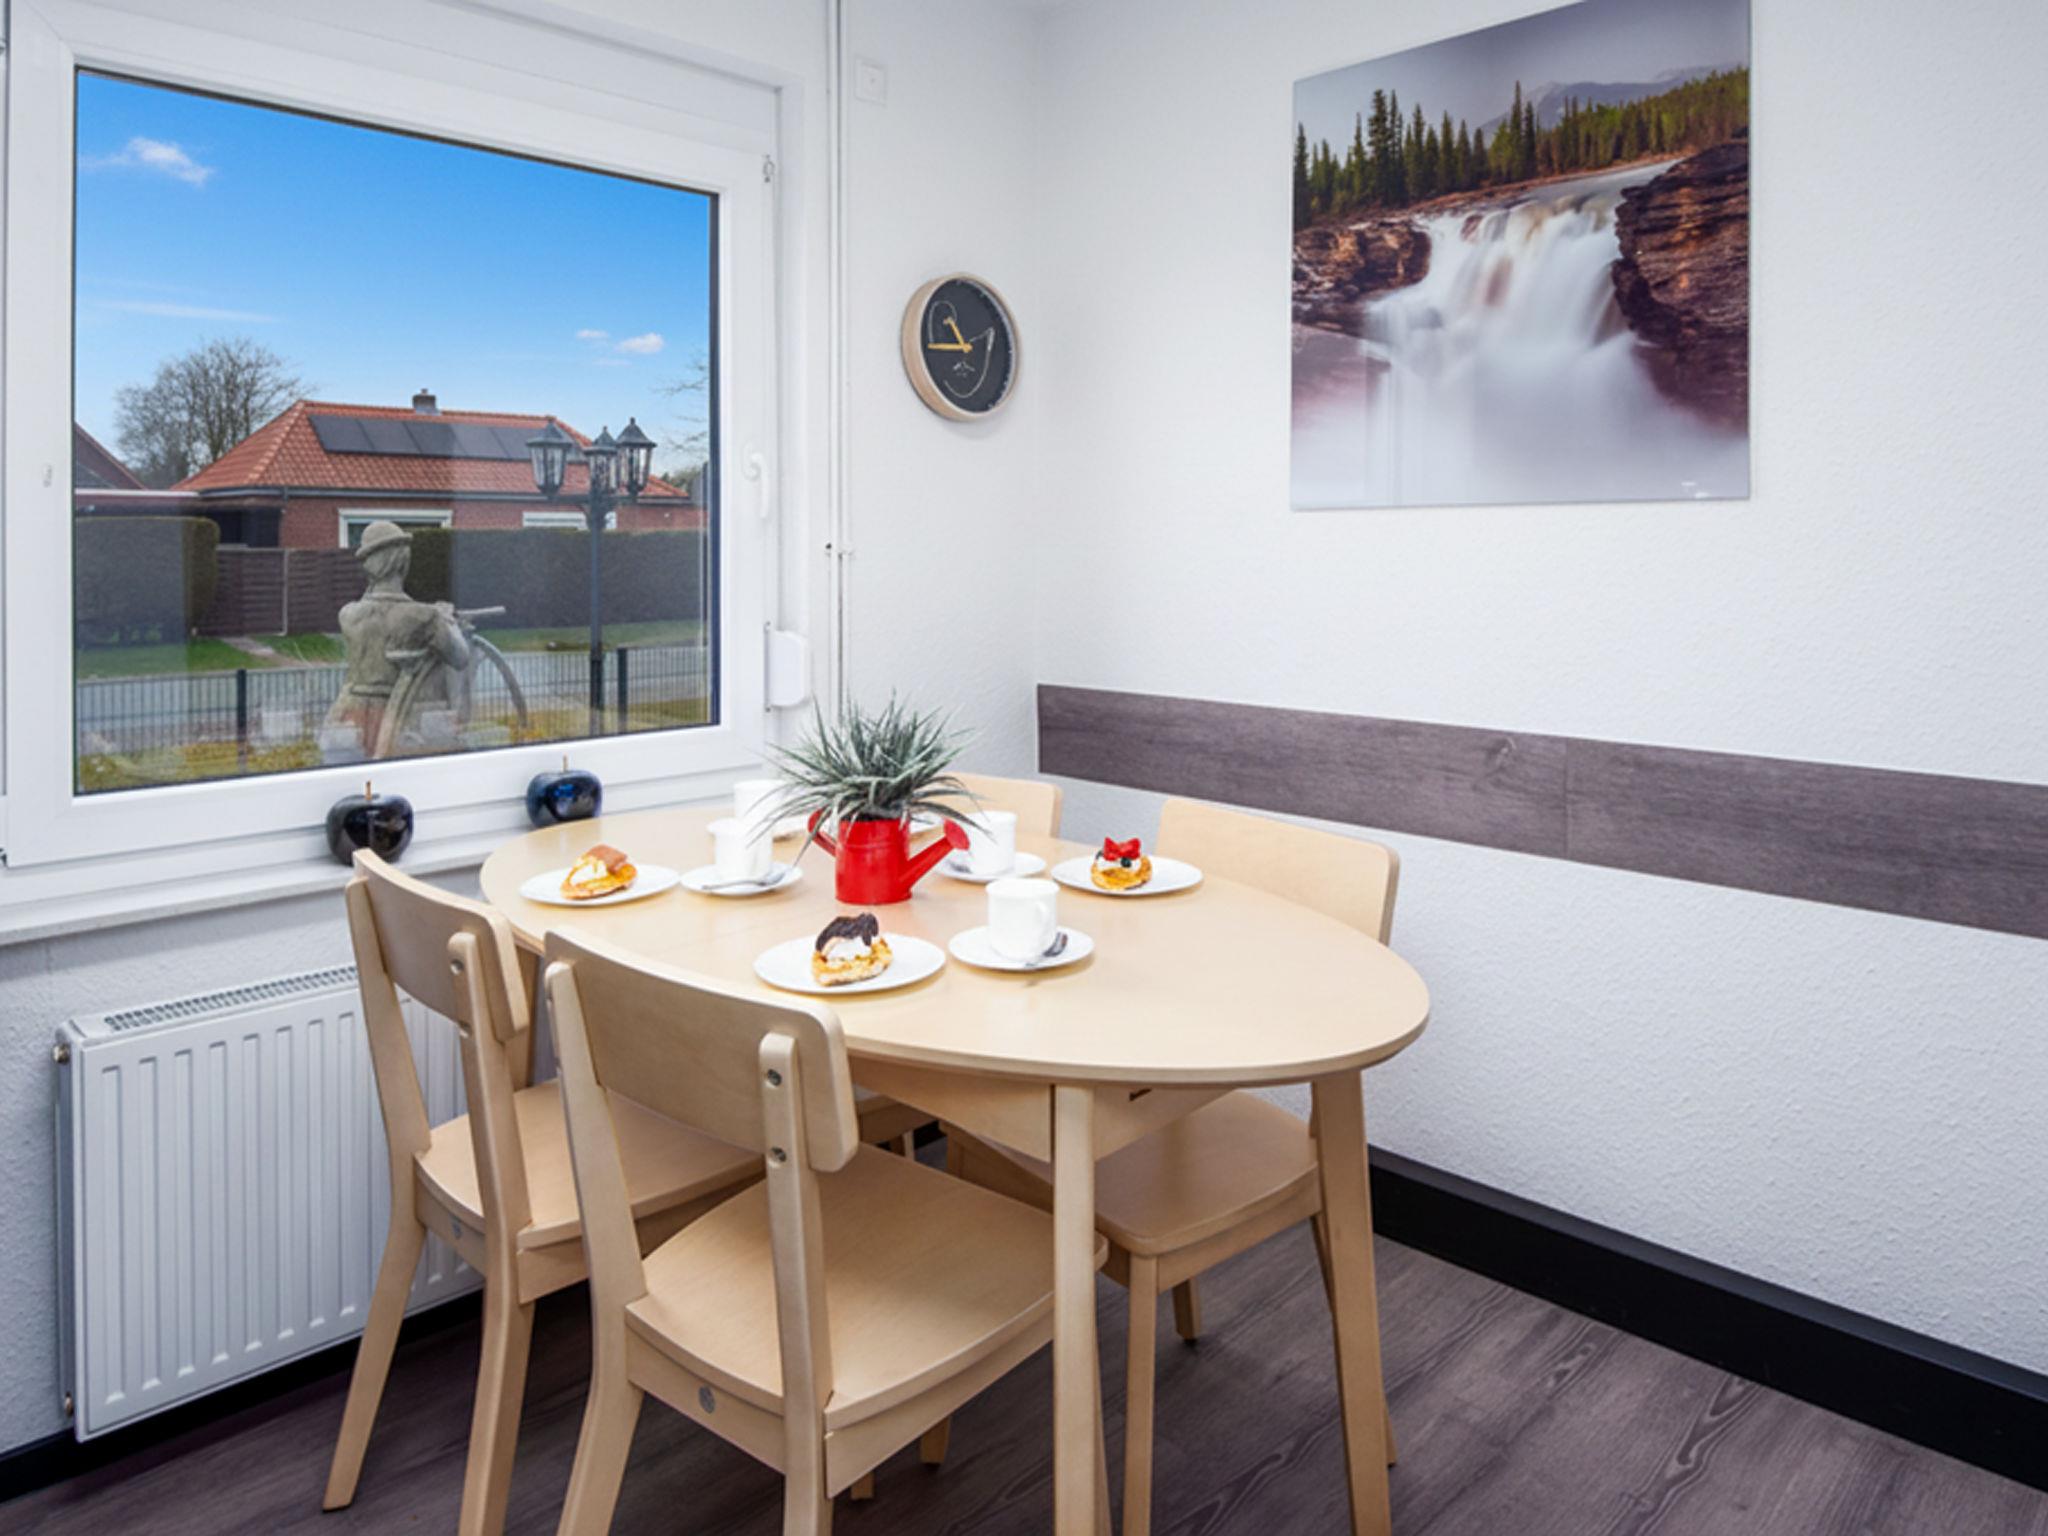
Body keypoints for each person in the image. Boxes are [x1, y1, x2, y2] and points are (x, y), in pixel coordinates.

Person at [320, 520, 470, 762]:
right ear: (402, 561)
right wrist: (447, 620)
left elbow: (375, 609)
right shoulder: (424, 617)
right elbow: (461, 657)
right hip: (400, 722)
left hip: (349, 716)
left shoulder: (347, 614)